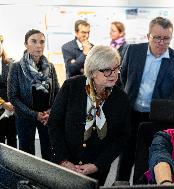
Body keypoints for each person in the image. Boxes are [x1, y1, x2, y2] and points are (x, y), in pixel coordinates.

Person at [117, 16, 174, 182]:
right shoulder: (133, 51)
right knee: (126, 154)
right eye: (157, 37)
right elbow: (123, 79)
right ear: (148, 35)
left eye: (166, 39)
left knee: (148, 157)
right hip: (132, 114)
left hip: (156, 119)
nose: (161, 43)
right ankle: (120, 184)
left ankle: (142, 184)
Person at [48, 45, 131, 186]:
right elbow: (54, 123)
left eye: (117, 68)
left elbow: (122, 137)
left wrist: (97, 165)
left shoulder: (121, 98)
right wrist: (63, 160)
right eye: (107, 70)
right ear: (92, 72)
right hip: (63, 164)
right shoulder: (71, 87)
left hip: (96, 169)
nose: (114, 74)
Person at [7, 29, 60, 160]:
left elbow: (57, 93)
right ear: (26, 44)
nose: (39, 45)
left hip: (47, 116)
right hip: (25, 117)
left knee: (50, 153)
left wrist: (50, 111)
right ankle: (27, 181)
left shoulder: (50, 67)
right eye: (34, 41)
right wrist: (34, 114)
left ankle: (49, 180)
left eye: (42, 42)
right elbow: (12, 97)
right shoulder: (16, 67)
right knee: (27, 155)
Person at [0, 35, 16, 148]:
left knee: (12, 141)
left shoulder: (11, 64)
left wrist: (13, 103)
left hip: (12, 110)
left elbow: (17, 85)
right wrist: (3, 103)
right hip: (1, 108)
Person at [109, 21, 129, 87]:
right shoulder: (111, 45)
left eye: (113, 31)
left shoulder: (126, 47)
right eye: (110, 30)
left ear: (121, 33)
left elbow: (123, 66)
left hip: (120, 82)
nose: (110, 32)